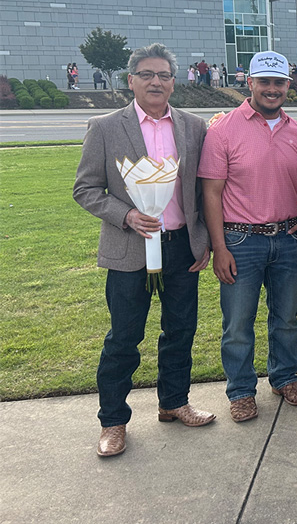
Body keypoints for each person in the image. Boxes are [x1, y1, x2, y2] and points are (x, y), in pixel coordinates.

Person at [73, 43, 214, 457]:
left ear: (174, 82)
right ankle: (113, 421)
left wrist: (203, 239)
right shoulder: (105, 127)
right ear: (131, 80)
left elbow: (202, 189)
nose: (156, 82)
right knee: (124, 337)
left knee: (181, 330)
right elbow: (85, 188)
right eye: (147, 75)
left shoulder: (193, 127)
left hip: (181, 247)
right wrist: (127, 215)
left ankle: (174, 402)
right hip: (129, 249)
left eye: (164, 75)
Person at [198, 50, 297, 422]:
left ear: (288, 85)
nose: (272, 89)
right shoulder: (223, 130)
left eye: (278, 82)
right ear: (249, 83)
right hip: (240, 240)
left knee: (286, 318)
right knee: (238, 323)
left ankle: (284, 378)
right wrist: (219, 247)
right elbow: (211, 193)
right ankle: (240, 391)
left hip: (288, 238)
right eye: (264, 81)